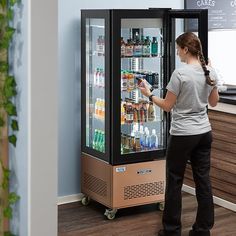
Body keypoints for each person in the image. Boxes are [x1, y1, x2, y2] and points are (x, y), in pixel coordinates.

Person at [138, 32, 219, 236]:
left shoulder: (180, 74)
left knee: (174, 180)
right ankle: (202, 230)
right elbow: (213, 103)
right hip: (204, 132)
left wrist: (149, 95)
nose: (176, 52)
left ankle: (172, 230)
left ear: (185, 49)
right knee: (203, 181)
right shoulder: (209, 70)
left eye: (177, 48)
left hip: (183, 134)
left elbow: (167, 106)